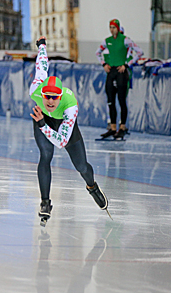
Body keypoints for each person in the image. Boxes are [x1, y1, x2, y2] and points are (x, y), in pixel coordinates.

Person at [30, 36, 110, 226]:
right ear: (42, 94)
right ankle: (45, 202)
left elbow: (62, 142)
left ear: (60, 97)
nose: (49, 101)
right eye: (47, 97)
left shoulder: (70, 105)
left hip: (61, 125)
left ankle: (92, 187)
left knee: (81, 166)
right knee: (45, 155)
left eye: (54, 98)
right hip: (43, 119)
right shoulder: (35, 89)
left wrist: (43, 125)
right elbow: (41, 65)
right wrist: (41, 45)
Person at [95, 19, 143, 139]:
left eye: (114, 27)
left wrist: (127, 64)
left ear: (118, 28)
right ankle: (112, 128)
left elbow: (139, 52)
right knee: (110, 101)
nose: (112, 30)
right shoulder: (107, 41)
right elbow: (98, 52)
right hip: (111, 72)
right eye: (110, 27)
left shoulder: (125, 40)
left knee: (121, 101)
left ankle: (122, 127)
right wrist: (103, 64)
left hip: (121, 72)